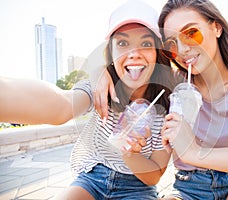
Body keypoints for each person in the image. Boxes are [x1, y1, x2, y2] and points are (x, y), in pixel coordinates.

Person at [92, 0, 228, 199]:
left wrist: (195, 153)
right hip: (188, 190)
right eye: (172, 44)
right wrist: (103, 73)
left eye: (191, 33)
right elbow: (134, 69)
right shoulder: (173, 83)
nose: (182, 50)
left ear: (217, 28)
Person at [0, 0, 182, 199]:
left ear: (157, 53)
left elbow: (154, 176)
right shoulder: (99, 88)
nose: (134, 54)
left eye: (146, 43)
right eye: (122, 43)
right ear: (111, 52)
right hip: (93, 178)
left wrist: (130, 154)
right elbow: (61, 105)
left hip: (138, 188)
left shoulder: (169, 105)